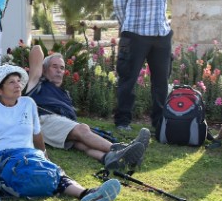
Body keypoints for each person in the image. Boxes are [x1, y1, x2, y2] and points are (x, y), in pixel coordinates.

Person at [0, 65, 122, 201]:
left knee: (55, 174)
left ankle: (87, 194)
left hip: (27, 155)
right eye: (12, 82)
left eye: (19, 81)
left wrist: (44, 155)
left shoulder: (28, 103)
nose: (18, 85)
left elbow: (37, 134)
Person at [24, 44, 150, 172]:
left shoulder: (65, 95)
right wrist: (40, 68)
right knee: (82, 129)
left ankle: (109, 158)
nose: (59, 71)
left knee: (81, 144)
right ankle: (120, 150)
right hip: (43, 121)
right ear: (44, 70)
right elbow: (36, 49)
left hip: (60, 127)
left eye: (62, 68)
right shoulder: (36, 83)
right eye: (54, 66)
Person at [112, 0, 173, 134]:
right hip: (135, 34)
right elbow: (119, 3)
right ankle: (122, 120)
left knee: (161, 82)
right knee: (128, 80)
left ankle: (159, 123)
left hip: (161, 34)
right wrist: (128, 26)